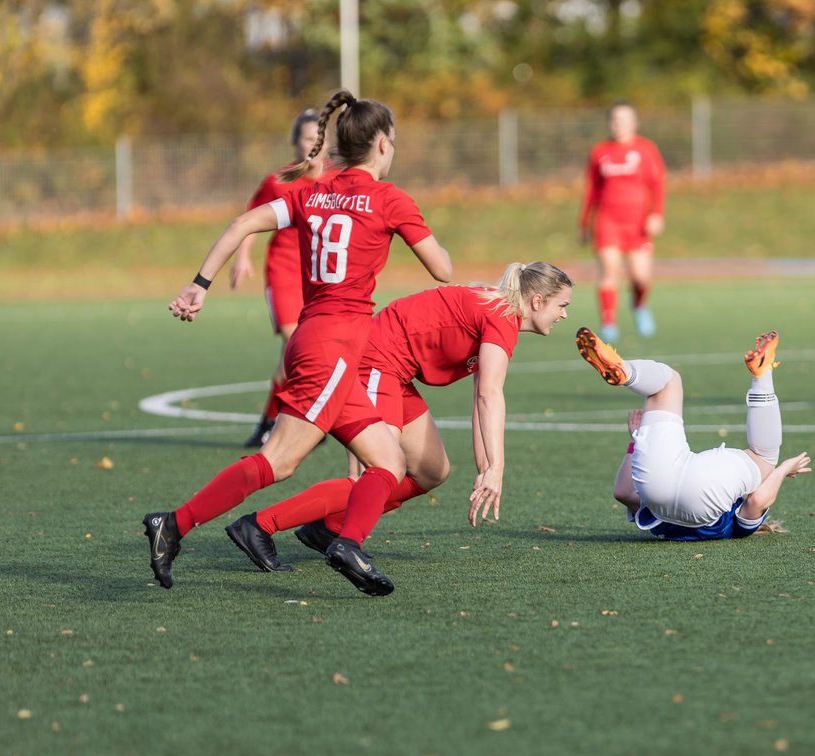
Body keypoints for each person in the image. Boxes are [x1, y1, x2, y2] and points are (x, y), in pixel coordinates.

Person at [142, 89, 452, 598]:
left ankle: (347, 542)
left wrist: (199, 285)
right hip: (334, 345)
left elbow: (243, 224)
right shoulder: (389, 199)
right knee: (280, 461)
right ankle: (173, 524)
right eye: (392, 141)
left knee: (389, 463)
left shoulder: (313, 192)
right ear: (381, 144)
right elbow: (442, 269)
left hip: (321, 342)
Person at [222, 262, 574, 571]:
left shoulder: (499, 313)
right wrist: (497, 468)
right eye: (562, 305)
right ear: (537, 301)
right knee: (378, 472)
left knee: (433, 471)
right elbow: (489, 396)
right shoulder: (501, 318)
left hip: (395, 371)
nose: (564, 315)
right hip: (376, 360)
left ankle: (328, 528)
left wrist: (486, 468)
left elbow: (480, 399)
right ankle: (259, 525)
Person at [574, 327, 811, 541]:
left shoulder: (738, 529)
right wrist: (636, 441)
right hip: (658, 490)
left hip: (707, 491)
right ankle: (625, 371)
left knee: (765, 457)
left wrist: (782, 469)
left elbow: (758, 501)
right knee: (666, 386)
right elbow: (623, 492)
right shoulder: (662, 528)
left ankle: (626, 370)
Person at [229, 108, 334, 447]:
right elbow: (250, 218)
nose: (313, 145)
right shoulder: (279, 181)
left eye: (319, 138)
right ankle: (282, 424)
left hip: (318, 276)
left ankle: (272, 421)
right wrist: (243, 255)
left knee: (305, 352)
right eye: (306, 139)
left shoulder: (337, 182)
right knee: (294, 344)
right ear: (295, 144)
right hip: (284, 272)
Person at [578, 100, 666, 344]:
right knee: (609, 271)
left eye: (625, 119)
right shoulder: (600, 151)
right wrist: (584, 223)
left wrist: (656, 213)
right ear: (609, 122)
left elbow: (657, 184)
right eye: (615, 119)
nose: (619, 124)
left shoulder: (646, 149)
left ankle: (639, 305)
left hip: (637, 222)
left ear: (635, 122)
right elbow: (592, 190)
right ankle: (608, 323)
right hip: (608, 220)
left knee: (641, 276)